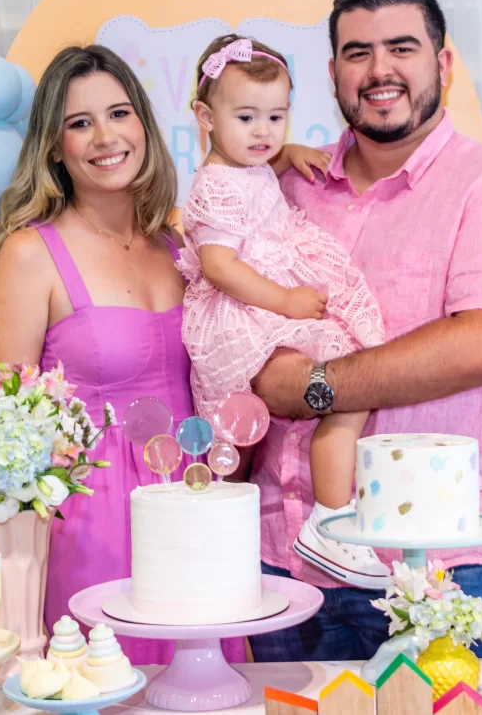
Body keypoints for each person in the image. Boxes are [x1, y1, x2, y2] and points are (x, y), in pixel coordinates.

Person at [245, 0, 482, 661]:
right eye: (358, 52)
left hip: (440, 564)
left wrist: (316, 387)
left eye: (402, 48)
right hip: (280, 562)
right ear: (333, 73)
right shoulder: (283, 188)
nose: (379, 70)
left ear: (443, 65)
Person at [0, 45, 242, 666]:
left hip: (192, 504)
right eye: (80, 122)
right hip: (90, 522)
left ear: (143, 125)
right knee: (102, 682)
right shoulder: (29, 254)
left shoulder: (180, 246)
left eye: (119, 113)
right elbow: (1, 440)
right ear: (54, 147)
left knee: (203, 686)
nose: (105, 137)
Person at [178, 33, 390, 589]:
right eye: (246, 117)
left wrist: (285, 155)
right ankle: (330, 519)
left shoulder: (246, 167)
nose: (264, 132)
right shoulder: (215, 187)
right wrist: (287, 301)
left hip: (262, 299)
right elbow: (219, 265)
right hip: (245, 309)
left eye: (276, 118)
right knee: (345, 385)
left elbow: (258, 170)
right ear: (205, 117)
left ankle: (276, 524)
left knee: (247, 443)